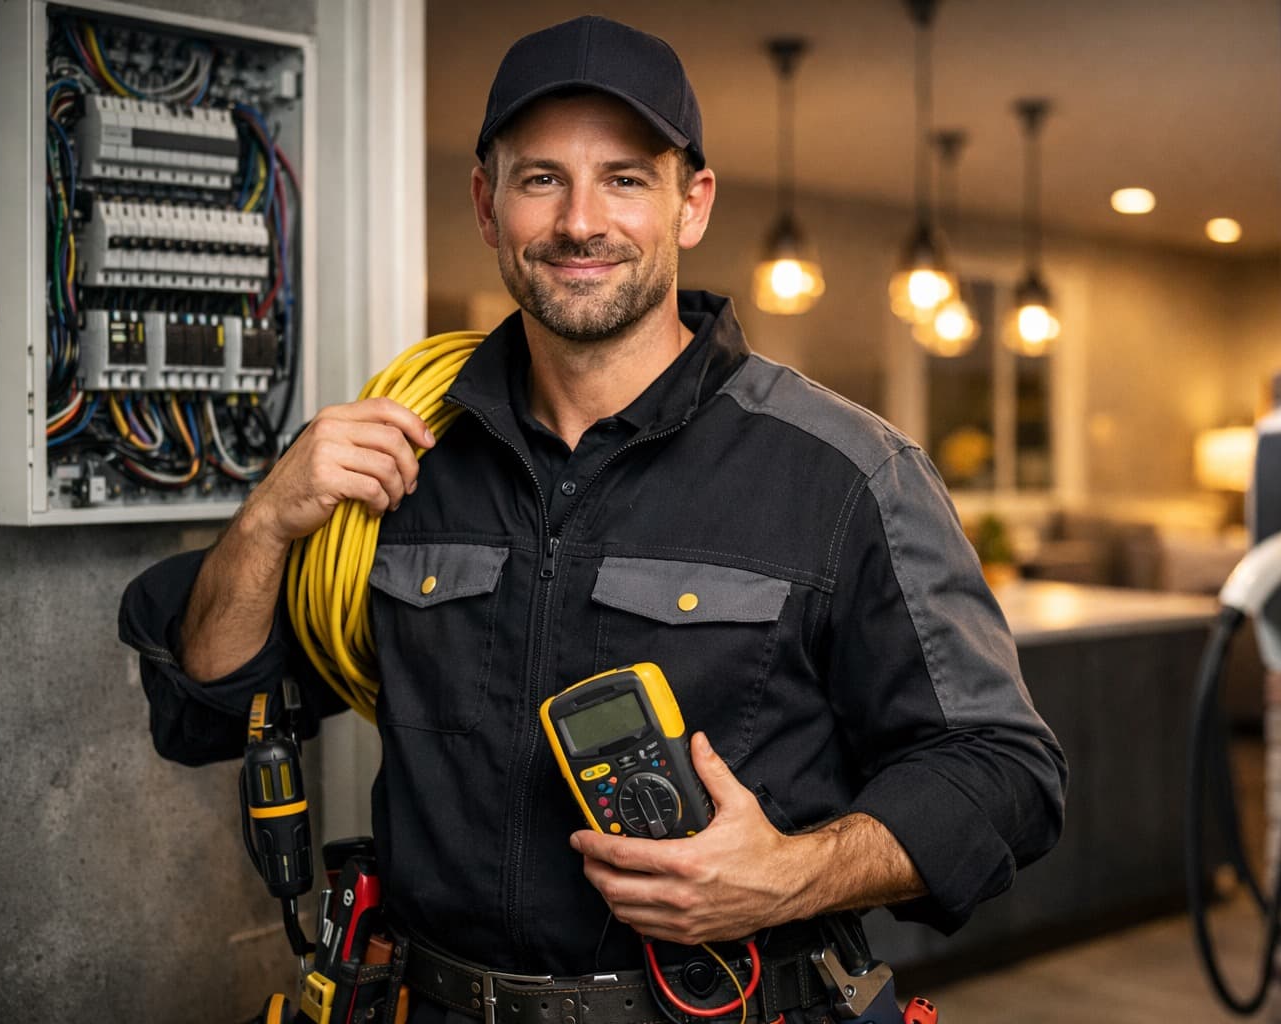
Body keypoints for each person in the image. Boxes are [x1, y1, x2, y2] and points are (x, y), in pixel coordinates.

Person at [120, 15, 1067, 1024]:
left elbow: (1004, 774)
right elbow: (213, 711)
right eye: (540, 179)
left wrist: (788, 873)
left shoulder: (847, 473)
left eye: (624, 178)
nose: (580, 221)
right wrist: (267, 518)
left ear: (690, 203)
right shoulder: (396, 465)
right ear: (487, 206)